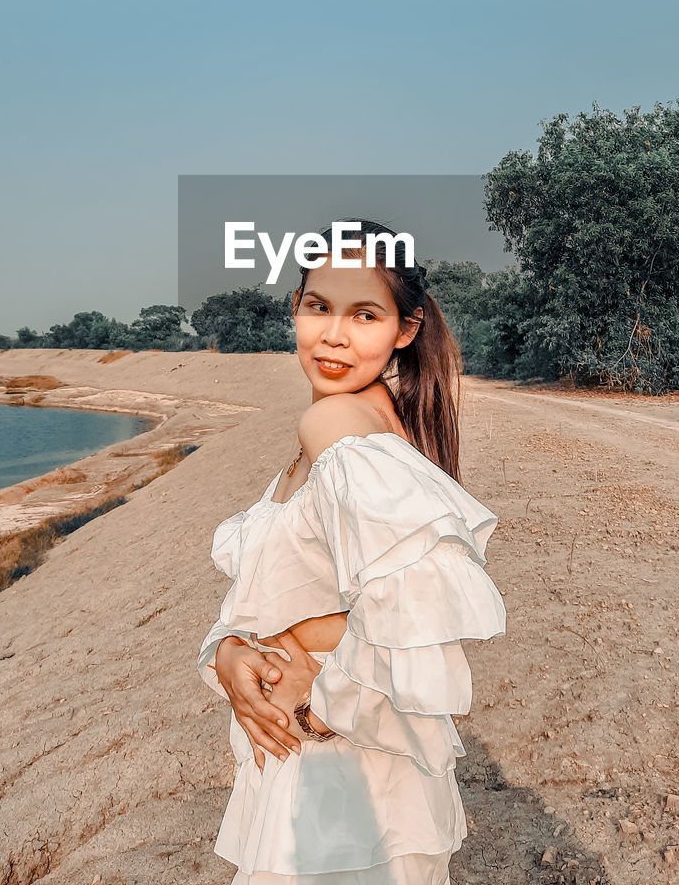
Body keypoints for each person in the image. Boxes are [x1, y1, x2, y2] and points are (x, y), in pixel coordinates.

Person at [198, 219, 507, 884]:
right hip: (331, 789)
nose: (334, 334)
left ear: (404, 329)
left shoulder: (335, 423)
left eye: (364, 313)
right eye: (320, 306)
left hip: (341, 801)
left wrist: (325, 695)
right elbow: (270, 591)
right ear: (296, 311)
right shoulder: (356, 423)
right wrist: (227, 653)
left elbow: (419, 614)